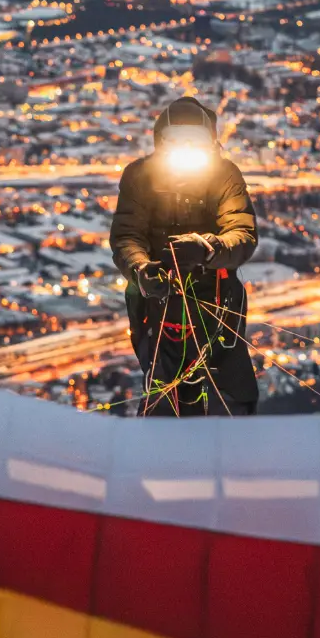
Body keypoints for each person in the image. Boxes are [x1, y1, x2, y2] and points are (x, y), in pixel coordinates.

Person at [110, 96, 259, 416]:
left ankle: (235, 451)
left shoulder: (224, 175)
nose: (186, 148)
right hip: (158, 297)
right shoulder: (140, 176)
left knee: (233, 388)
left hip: (217, 298)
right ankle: (166, 455)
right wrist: (141, 269)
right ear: (162, 141)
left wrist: (209, 249)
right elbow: (127, 236)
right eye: (178, 141)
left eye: (194, 141)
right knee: (164, 387)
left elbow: (242, 233)